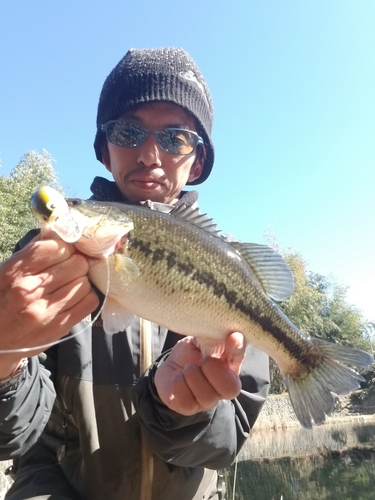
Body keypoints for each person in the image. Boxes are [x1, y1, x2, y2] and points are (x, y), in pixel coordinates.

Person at [0, 47, 269, 500]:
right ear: (105, 152)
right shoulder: (39, 261)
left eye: (175, 138)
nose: (149, 154)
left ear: (197, 162)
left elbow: (224, 444)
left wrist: (180, 412)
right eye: (128, 131)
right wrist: (3, 358)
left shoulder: (232, 273)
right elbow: (18, 441)